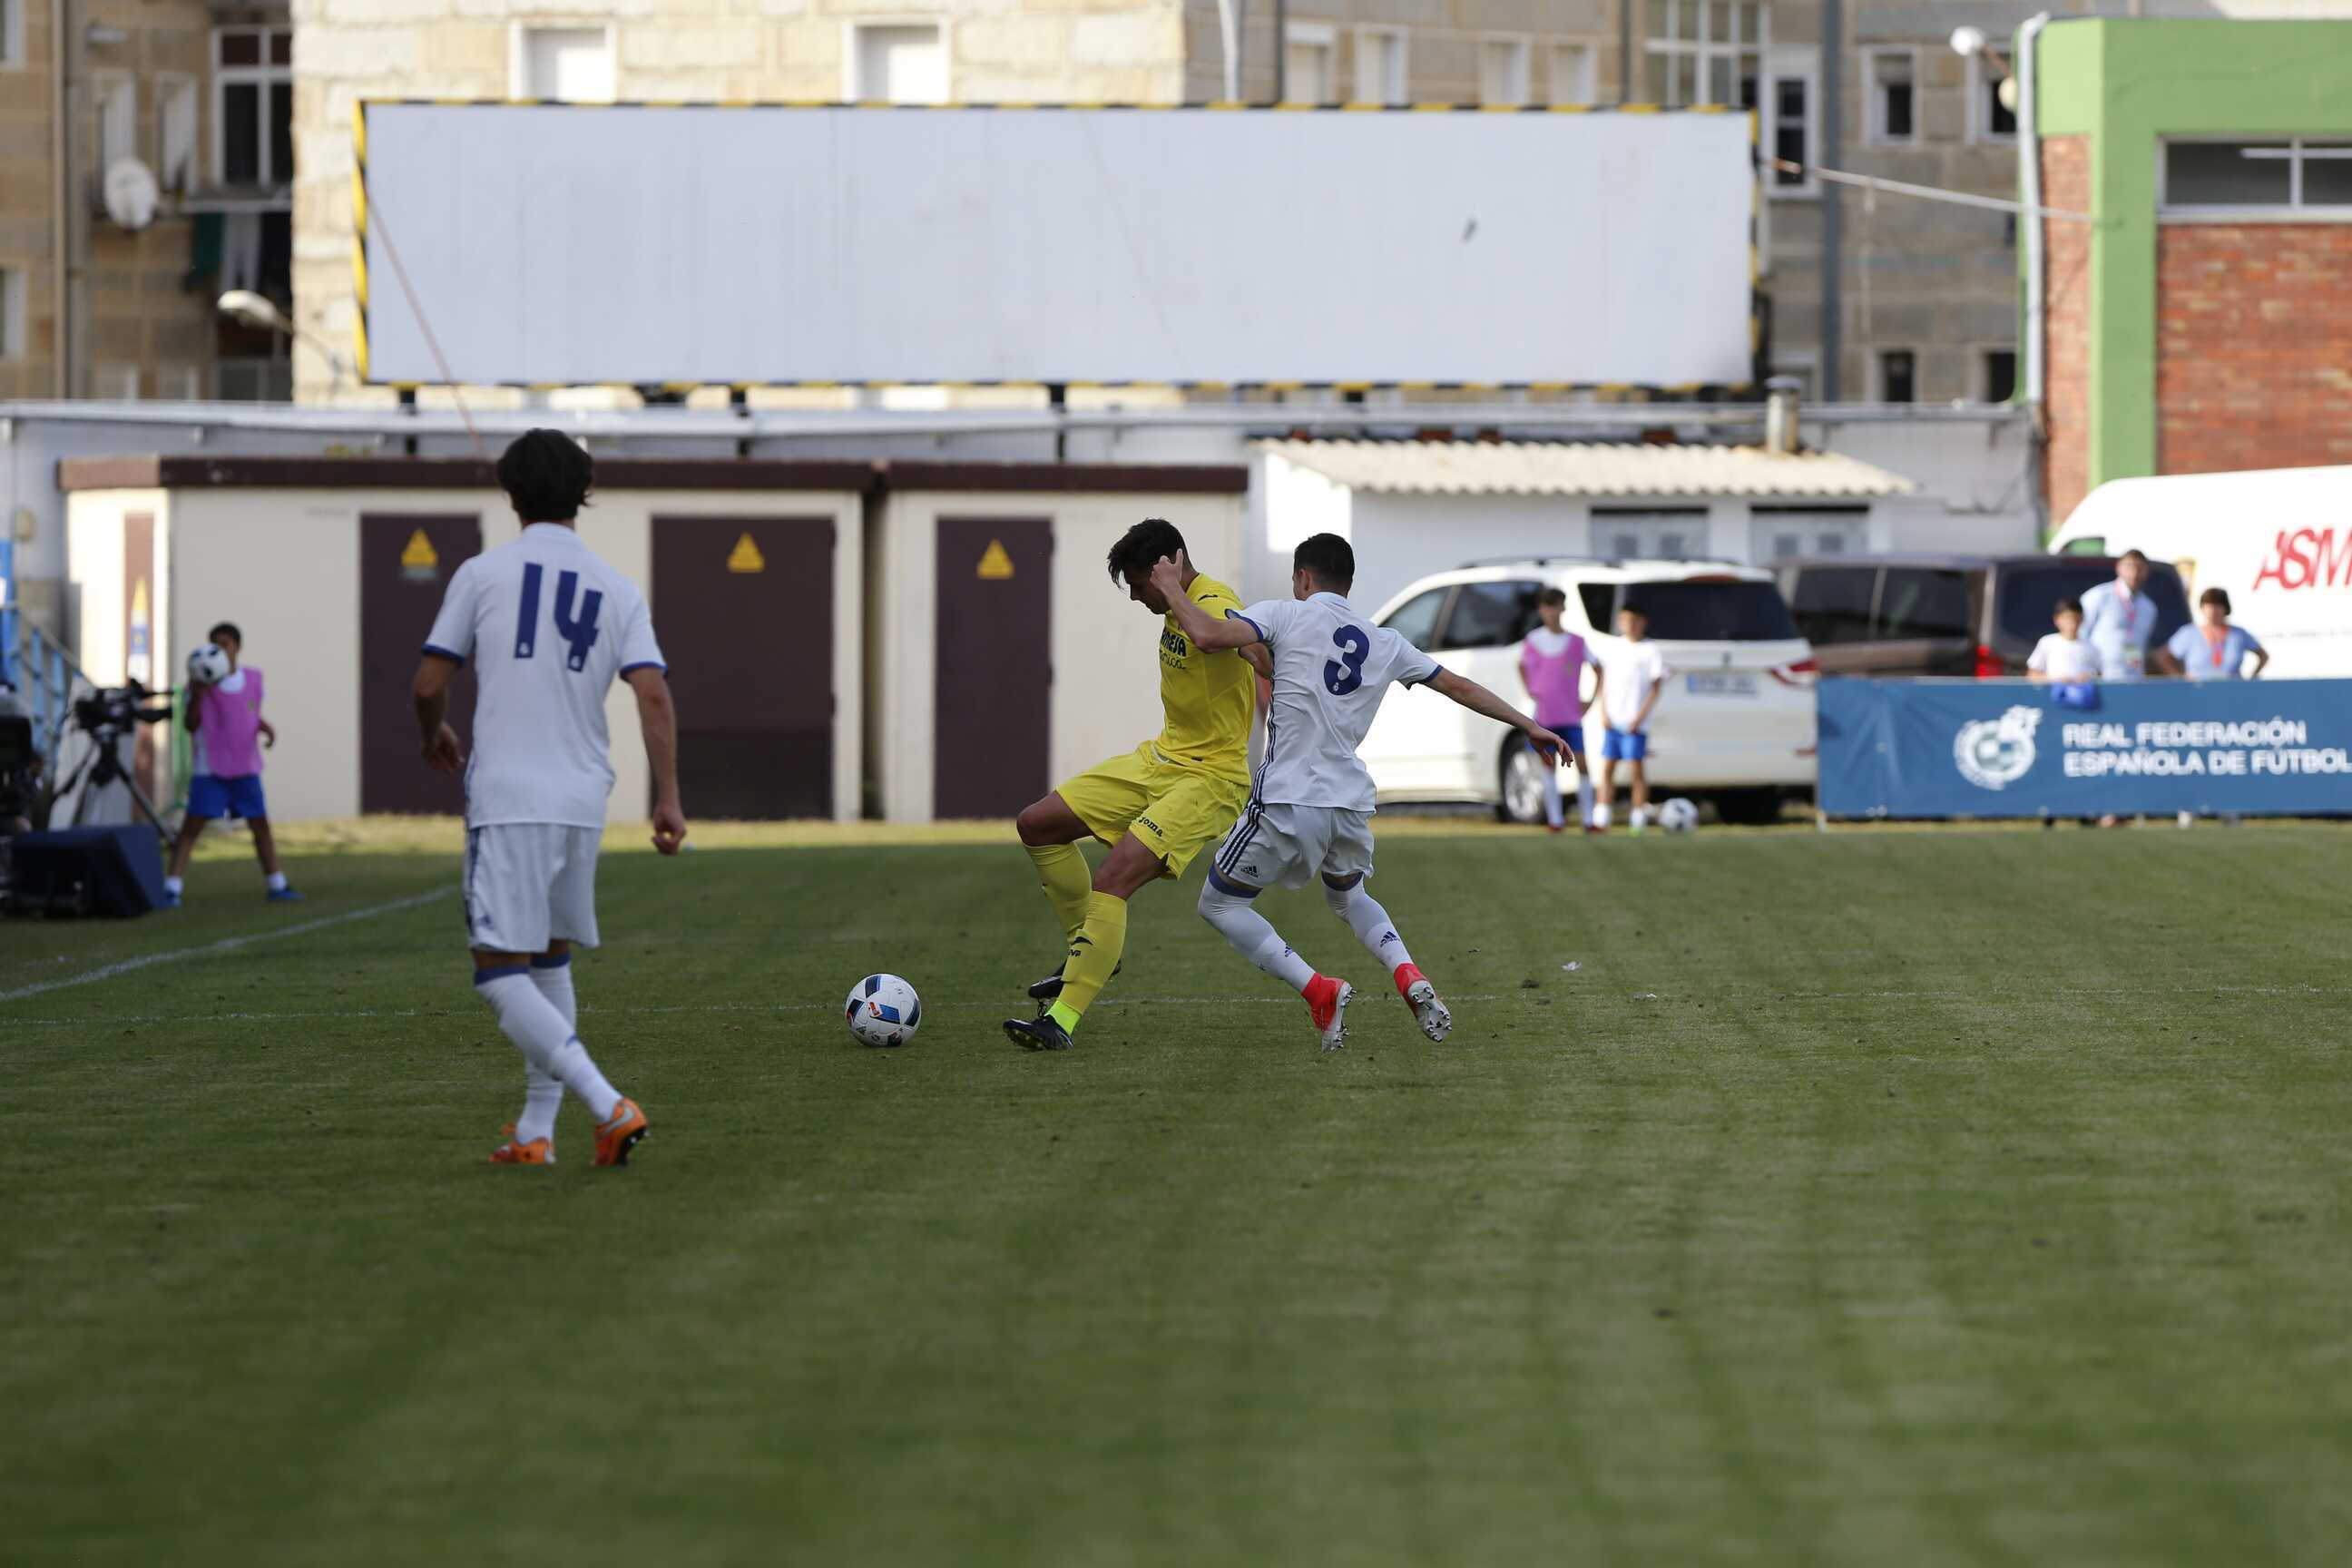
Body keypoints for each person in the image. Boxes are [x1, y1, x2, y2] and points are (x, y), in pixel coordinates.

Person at [1151, 534, 1568, 1048]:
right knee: (1349, 896)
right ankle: (1406, 971)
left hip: (1287, 798)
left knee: (1218, 904)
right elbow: (1458, 685)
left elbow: (1209, 635)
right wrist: (1529, 725)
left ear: (1303, 578)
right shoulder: (1384, 640)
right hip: (1348, 803)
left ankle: (1318, 989)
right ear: (1349, 583)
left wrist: (1172, 589)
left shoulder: (1284, 614)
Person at [411, 429, 686, 1167]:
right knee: (550, 961)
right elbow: (653, 696)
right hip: (582, 795)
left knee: (498, 970)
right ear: (584, 492)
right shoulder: (617, 586)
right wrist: (668, 797)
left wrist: (434, 733)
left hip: (509, 795)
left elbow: (428, 684)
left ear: (510, 494)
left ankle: (608, 1105)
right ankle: (536, 1133)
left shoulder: (482, 574)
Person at [1002, 519, 1269, 1053]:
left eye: (1139, 583)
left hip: (1211, 779)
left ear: (1169, 567)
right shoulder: (1174, 605)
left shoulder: (1214, 601)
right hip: (1161, 760)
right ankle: (1088, 949)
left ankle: (1061, 1020)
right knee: (1038, 824)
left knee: (1113, 879)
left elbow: (1228, 642)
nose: (1134, 596)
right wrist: (1168, 595)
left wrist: (1175, 593)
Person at [162, 622, 299, 907]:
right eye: (215, 644)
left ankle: (277, 884)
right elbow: (190, 724)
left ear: (237, 647)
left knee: (260, 825)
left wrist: (264, 727)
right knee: (192, 827)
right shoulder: (199, 684)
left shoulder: (253, 679)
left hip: (245, 767)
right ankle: (171, 888)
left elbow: (248, 713)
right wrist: (198, 696)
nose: (219, 651)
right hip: (210, 769)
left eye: (225, 644)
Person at [1517, 588, 1592, 835]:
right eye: (1546, 605)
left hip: (1570, 716)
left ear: (1563, 607)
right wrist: (1530, 689)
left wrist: (1590, 701)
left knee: (1582, 766)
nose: (1551, 611)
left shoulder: (1576, 641)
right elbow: (1521, 665)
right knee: (1549, 767)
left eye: (1555, 605)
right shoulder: (1533, 640)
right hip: (1545, 717)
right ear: (1541, 609)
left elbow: (1599, 667)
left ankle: (1589, 821)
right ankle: (1556, 820)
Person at [1590, 602, 1666, 834]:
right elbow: (1604, 681)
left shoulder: (1650, 650)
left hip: (1635, 723)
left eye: (1634, 620)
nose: (1629, 625)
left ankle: (1637, 819)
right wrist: (1603, 712)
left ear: (1643, 622)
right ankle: (1601, 818)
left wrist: (1639, 718)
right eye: (1625, 620)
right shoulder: (1614, 647)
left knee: (1636, 770)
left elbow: (1655, 688)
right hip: (1613, 719)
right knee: (1607, 768)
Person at [2078, 550, 2180, 681]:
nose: (2134, 573)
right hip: (2102, 676)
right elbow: (2080, 634)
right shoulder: (2099, 596)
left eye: (2140, 568)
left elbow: (2142, 644)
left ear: (2147, 571)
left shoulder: (2148, 607)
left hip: (2133, 676)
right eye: (2129, 566)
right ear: (2119, 567)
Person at [2167, 588, 2269, 681]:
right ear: (2202, 608)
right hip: (2198, 690)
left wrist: (2252, 680)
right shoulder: (2189, 633)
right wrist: (2180, 679)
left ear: (2226, 608)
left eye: (2217, 606)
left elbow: (2263, 655)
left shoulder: (2238, 634)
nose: (2213, 611)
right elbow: (2165, 657)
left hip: (2231, 689)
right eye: (2209, 606)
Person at [2026, 597, 2105, 683]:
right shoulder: (2047, 642)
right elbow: (2032, 675)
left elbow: (2100, 675)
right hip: (2055, 691)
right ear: (2057, 620)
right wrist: (2055, 679)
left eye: (2076, 618)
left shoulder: (2091, 647)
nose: (2072, 622)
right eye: (2067, 618)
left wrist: (2089, 677)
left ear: (2082, 620)